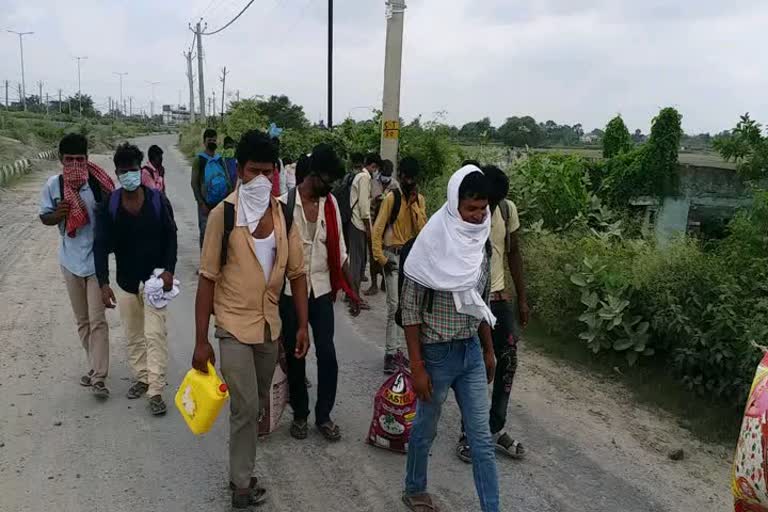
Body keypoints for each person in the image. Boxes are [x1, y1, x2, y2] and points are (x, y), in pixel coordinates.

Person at [192, 130, 309, 509]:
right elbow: (207, 278)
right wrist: (201, 340)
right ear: (239, 171)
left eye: (268, 172)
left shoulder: (283, 214)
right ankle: (241, 485)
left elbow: (297, 274)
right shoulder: (221, 216)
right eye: (253, 171)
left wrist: (303, 325)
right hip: (231, 325)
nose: (261, 179)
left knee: (258, 403)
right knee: (243, 406)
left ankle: (242, 470)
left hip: (268, 325)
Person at [400, 165, 499, 512]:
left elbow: (481, 304)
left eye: (482, 209)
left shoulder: (481, 246)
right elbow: (410, 312)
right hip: (435, 355)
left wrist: (488, 351)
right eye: (470, 208)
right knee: (426, 430)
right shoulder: (430, 243)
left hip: (470, 351)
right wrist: (417, 365)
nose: (476, 216)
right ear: (455, 203)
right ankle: (415, 489)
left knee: (482, 439)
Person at [279, 143, 360, 443]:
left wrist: (353, 291)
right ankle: (300, 414)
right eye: (326, 181)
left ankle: (323, 415)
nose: (330, 187)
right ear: (312, 174)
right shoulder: (283, 205)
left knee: (327, 353)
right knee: (295, 353)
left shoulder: (330, 204)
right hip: (289, 292)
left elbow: (339, 251)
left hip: (322, 290)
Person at [94, 142, 178, 416]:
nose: (128, 175)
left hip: (155, 283)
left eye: (132, 169)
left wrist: (168, 270)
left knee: (155, 335)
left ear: (139, 170)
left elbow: (171, 236)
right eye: (123, 171)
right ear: (116, 173)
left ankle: (155, 390)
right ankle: (141, 377)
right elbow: (100, 245)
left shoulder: (157, 201)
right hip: (127, 282)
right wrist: (103, 282)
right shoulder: (111, 205)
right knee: (133, 335)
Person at [456, 165, 529, 463]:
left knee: (507, 362)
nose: (493, 208)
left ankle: (494, 427)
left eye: (498, 202)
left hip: (499, 299)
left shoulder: (507, 210)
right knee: (476, 365)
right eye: (491, 201)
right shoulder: (467, 212)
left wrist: (522, 298)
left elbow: (514, 252)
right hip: (473, 300)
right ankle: (468, 432)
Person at [39, 133, 115, 398]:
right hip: (69, 261)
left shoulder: (97, 183)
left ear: (87, 159)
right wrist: (57, 215)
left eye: (79, 159)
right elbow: (44, 216)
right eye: (69, 159)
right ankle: (94, 367)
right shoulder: (54, 185)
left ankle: (99, 377)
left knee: (98, 321)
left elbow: (110, 214)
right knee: (83, 321)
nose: (74, 164)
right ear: (61, 159)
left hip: (95, 262)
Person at [371, 156, 427, 373]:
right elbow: (377, 231)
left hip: (412, 258)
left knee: (412, 308)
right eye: (406, 177)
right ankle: (390, 353)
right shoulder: (391, 199)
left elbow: (423, 232)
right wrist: (382, 260)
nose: (409, 181)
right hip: (392, 256)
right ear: (401, 176)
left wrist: (414, 207)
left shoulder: (419, 201)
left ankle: (410, 354)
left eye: (413, 178)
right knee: (394, 305)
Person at [191, 128, 233, 248]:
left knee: (221, 233)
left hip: (220, 203)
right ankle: (205, 263)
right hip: (205, 204)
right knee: (205, 233)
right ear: (204, 142)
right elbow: (194, 183)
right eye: (210, 140)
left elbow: (227, 180)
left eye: (214, 140)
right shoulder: (199, 160)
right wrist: (201, 203)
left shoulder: (220, 159)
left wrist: (228, 201)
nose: (212, 142)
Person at [348, 152, 381, 301]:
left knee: (359, 259)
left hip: (357, 222)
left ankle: (353, 294)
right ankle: (353, 296)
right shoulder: (364, 178)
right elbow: (363, 206)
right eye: (376, 169)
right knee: (357, 261)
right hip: (358, 223)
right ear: (373, 166)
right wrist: (368, 227)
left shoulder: (360, 176)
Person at [365, 159, 397, 296]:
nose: (386, 176)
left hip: (388, 225)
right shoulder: (373, 182)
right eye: (385, 172)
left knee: (386, 253)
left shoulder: (395, 185)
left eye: (389, 173)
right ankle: (373, 284)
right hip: (374, 222)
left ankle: (384, 281)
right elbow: (366, 200)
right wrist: (375, 200)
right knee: (373, 254)